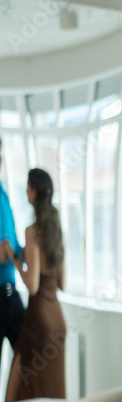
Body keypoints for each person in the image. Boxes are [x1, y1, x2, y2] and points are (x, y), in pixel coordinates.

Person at [2, 168, 66, 402]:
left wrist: (15, 258)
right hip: (58, 322)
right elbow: (63, 284)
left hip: (38, 320)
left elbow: (32, 286)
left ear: (32, 192)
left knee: (17, 388)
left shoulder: (32, 232)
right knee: (51, 390)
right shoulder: (56, 231)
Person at [0, 136, 26, 383]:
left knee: (28, 351)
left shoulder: (4, 195)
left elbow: (13, 241)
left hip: (10, 293)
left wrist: (26, 251)